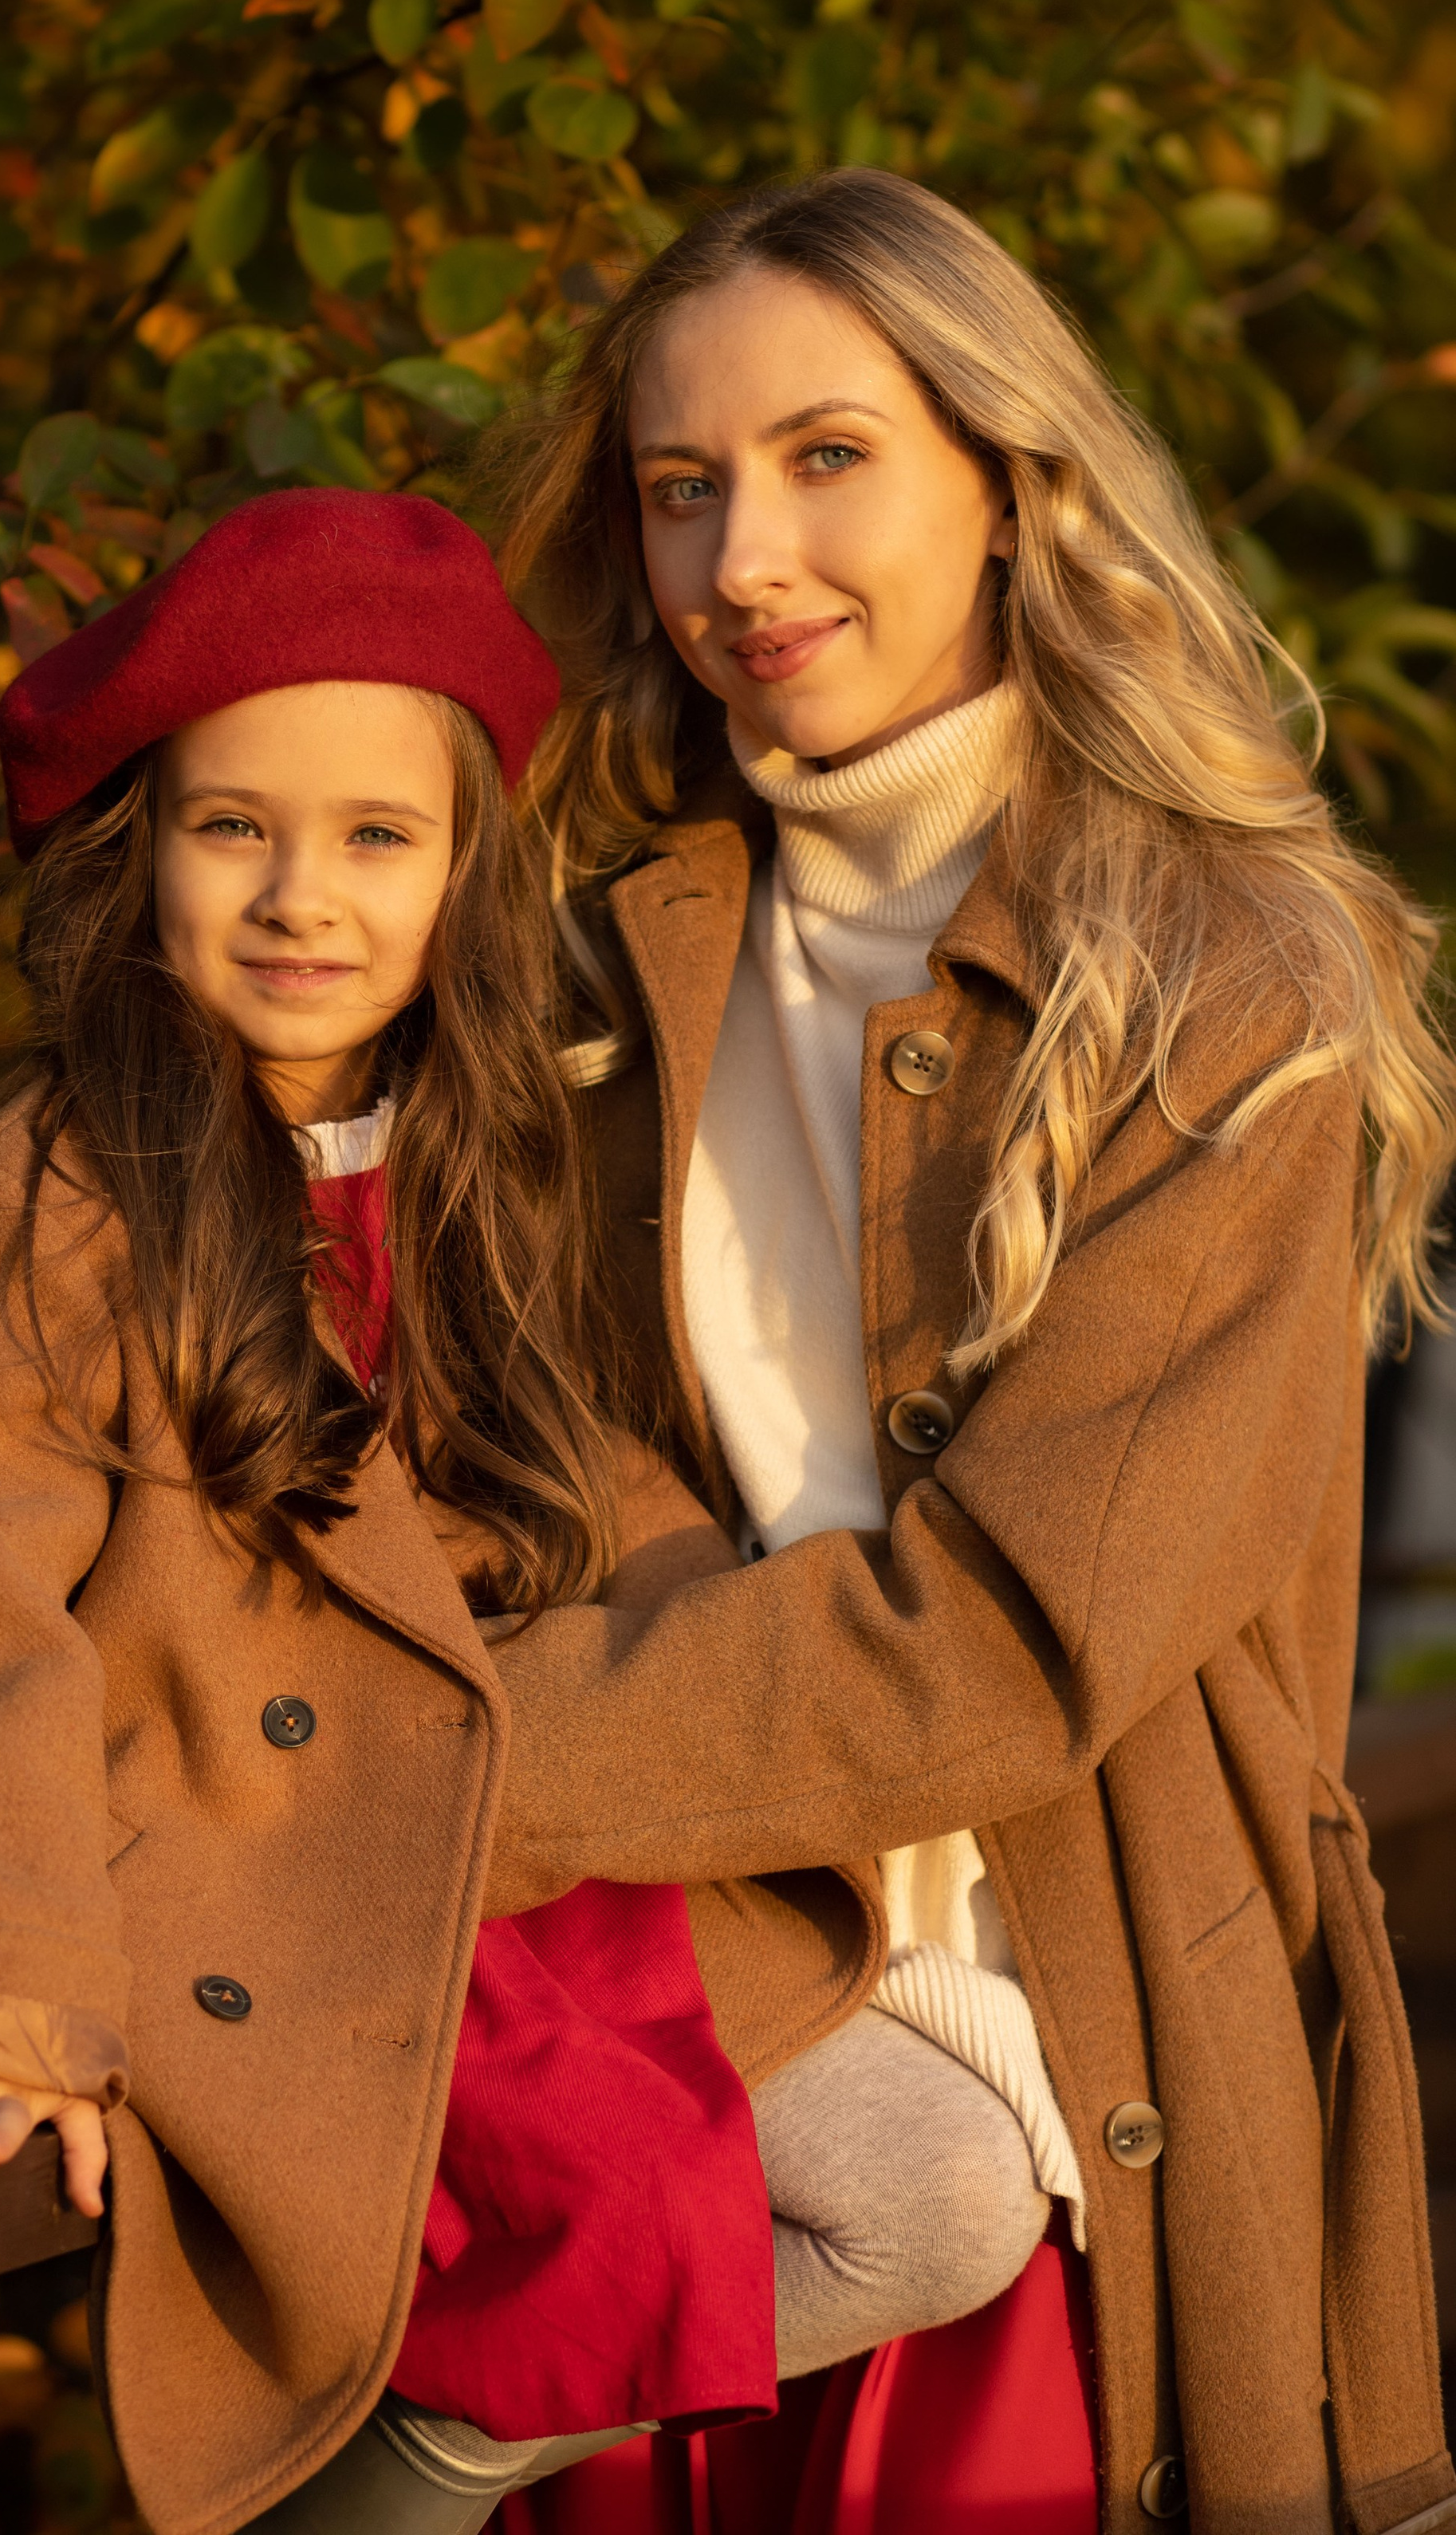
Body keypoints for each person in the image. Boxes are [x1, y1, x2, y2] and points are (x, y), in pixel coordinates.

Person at [0, 491, 1056, 2535]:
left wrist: (765, 1786)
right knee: (779, 2197)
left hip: (508, 1867)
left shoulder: (478, 1165)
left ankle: (419, 2472)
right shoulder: (7, 1214)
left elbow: (612, 1513)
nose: (303, 897)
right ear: (138, 848)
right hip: (246, 1891)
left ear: (463, 871)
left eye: (378, 837)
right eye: (233, 828)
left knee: (952, 2183)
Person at [485, 168, 1456, 2533]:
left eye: (828, 458)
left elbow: (1015, 1639)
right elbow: (512, 1471)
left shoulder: (1230, 985)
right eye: (681, 487)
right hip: (687, 2052)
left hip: (1068, 2096)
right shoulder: (585, 959)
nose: (742, 561)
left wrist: (413, 1782)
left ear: (1012, 485)